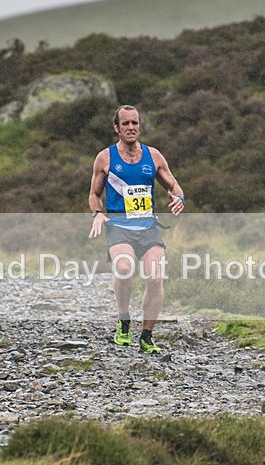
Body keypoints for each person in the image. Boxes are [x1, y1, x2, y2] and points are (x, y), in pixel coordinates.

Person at [88, 105, 185, 355]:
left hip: (148, 226)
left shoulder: (153, 156)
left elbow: (173, 185)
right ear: (116, 128)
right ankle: (123, 320)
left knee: (155, 279)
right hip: (119, 226)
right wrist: (97, 214)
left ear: (139, 126)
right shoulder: (106, 158)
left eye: (135, 123)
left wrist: (179, 199)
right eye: (126, 124)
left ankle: (146, 336)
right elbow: (94, 194)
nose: (131, 128)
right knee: (123, 268)